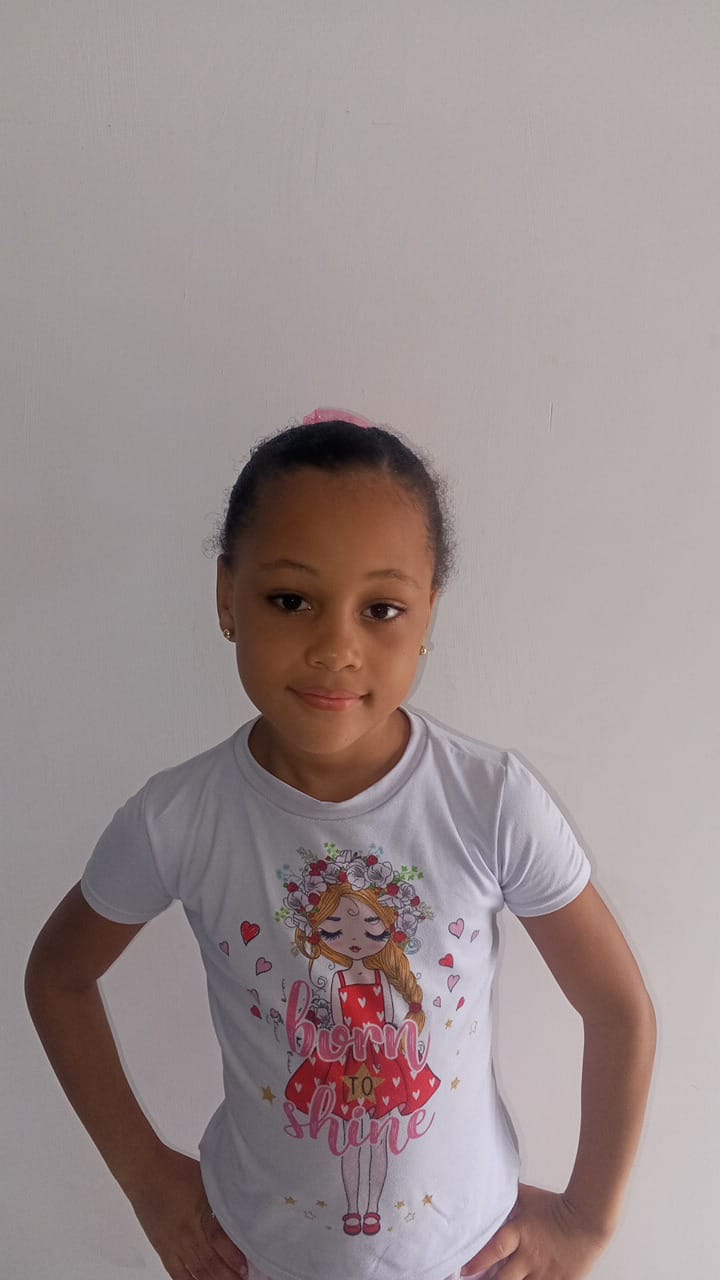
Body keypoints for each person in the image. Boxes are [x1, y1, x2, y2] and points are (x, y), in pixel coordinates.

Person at [24, 408, 656, 1280]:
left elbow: (618, 1009)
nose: (336, 648)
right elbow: (58, 977)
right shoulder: (181, 816)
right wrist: (147, 1181)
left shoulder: (490, 801)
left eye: (381, 608)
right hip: (256, 1258)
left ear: (427, 613)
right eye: (291, 601)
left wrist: (585, 1220)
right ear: (226, 597)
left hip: (468, 1258)